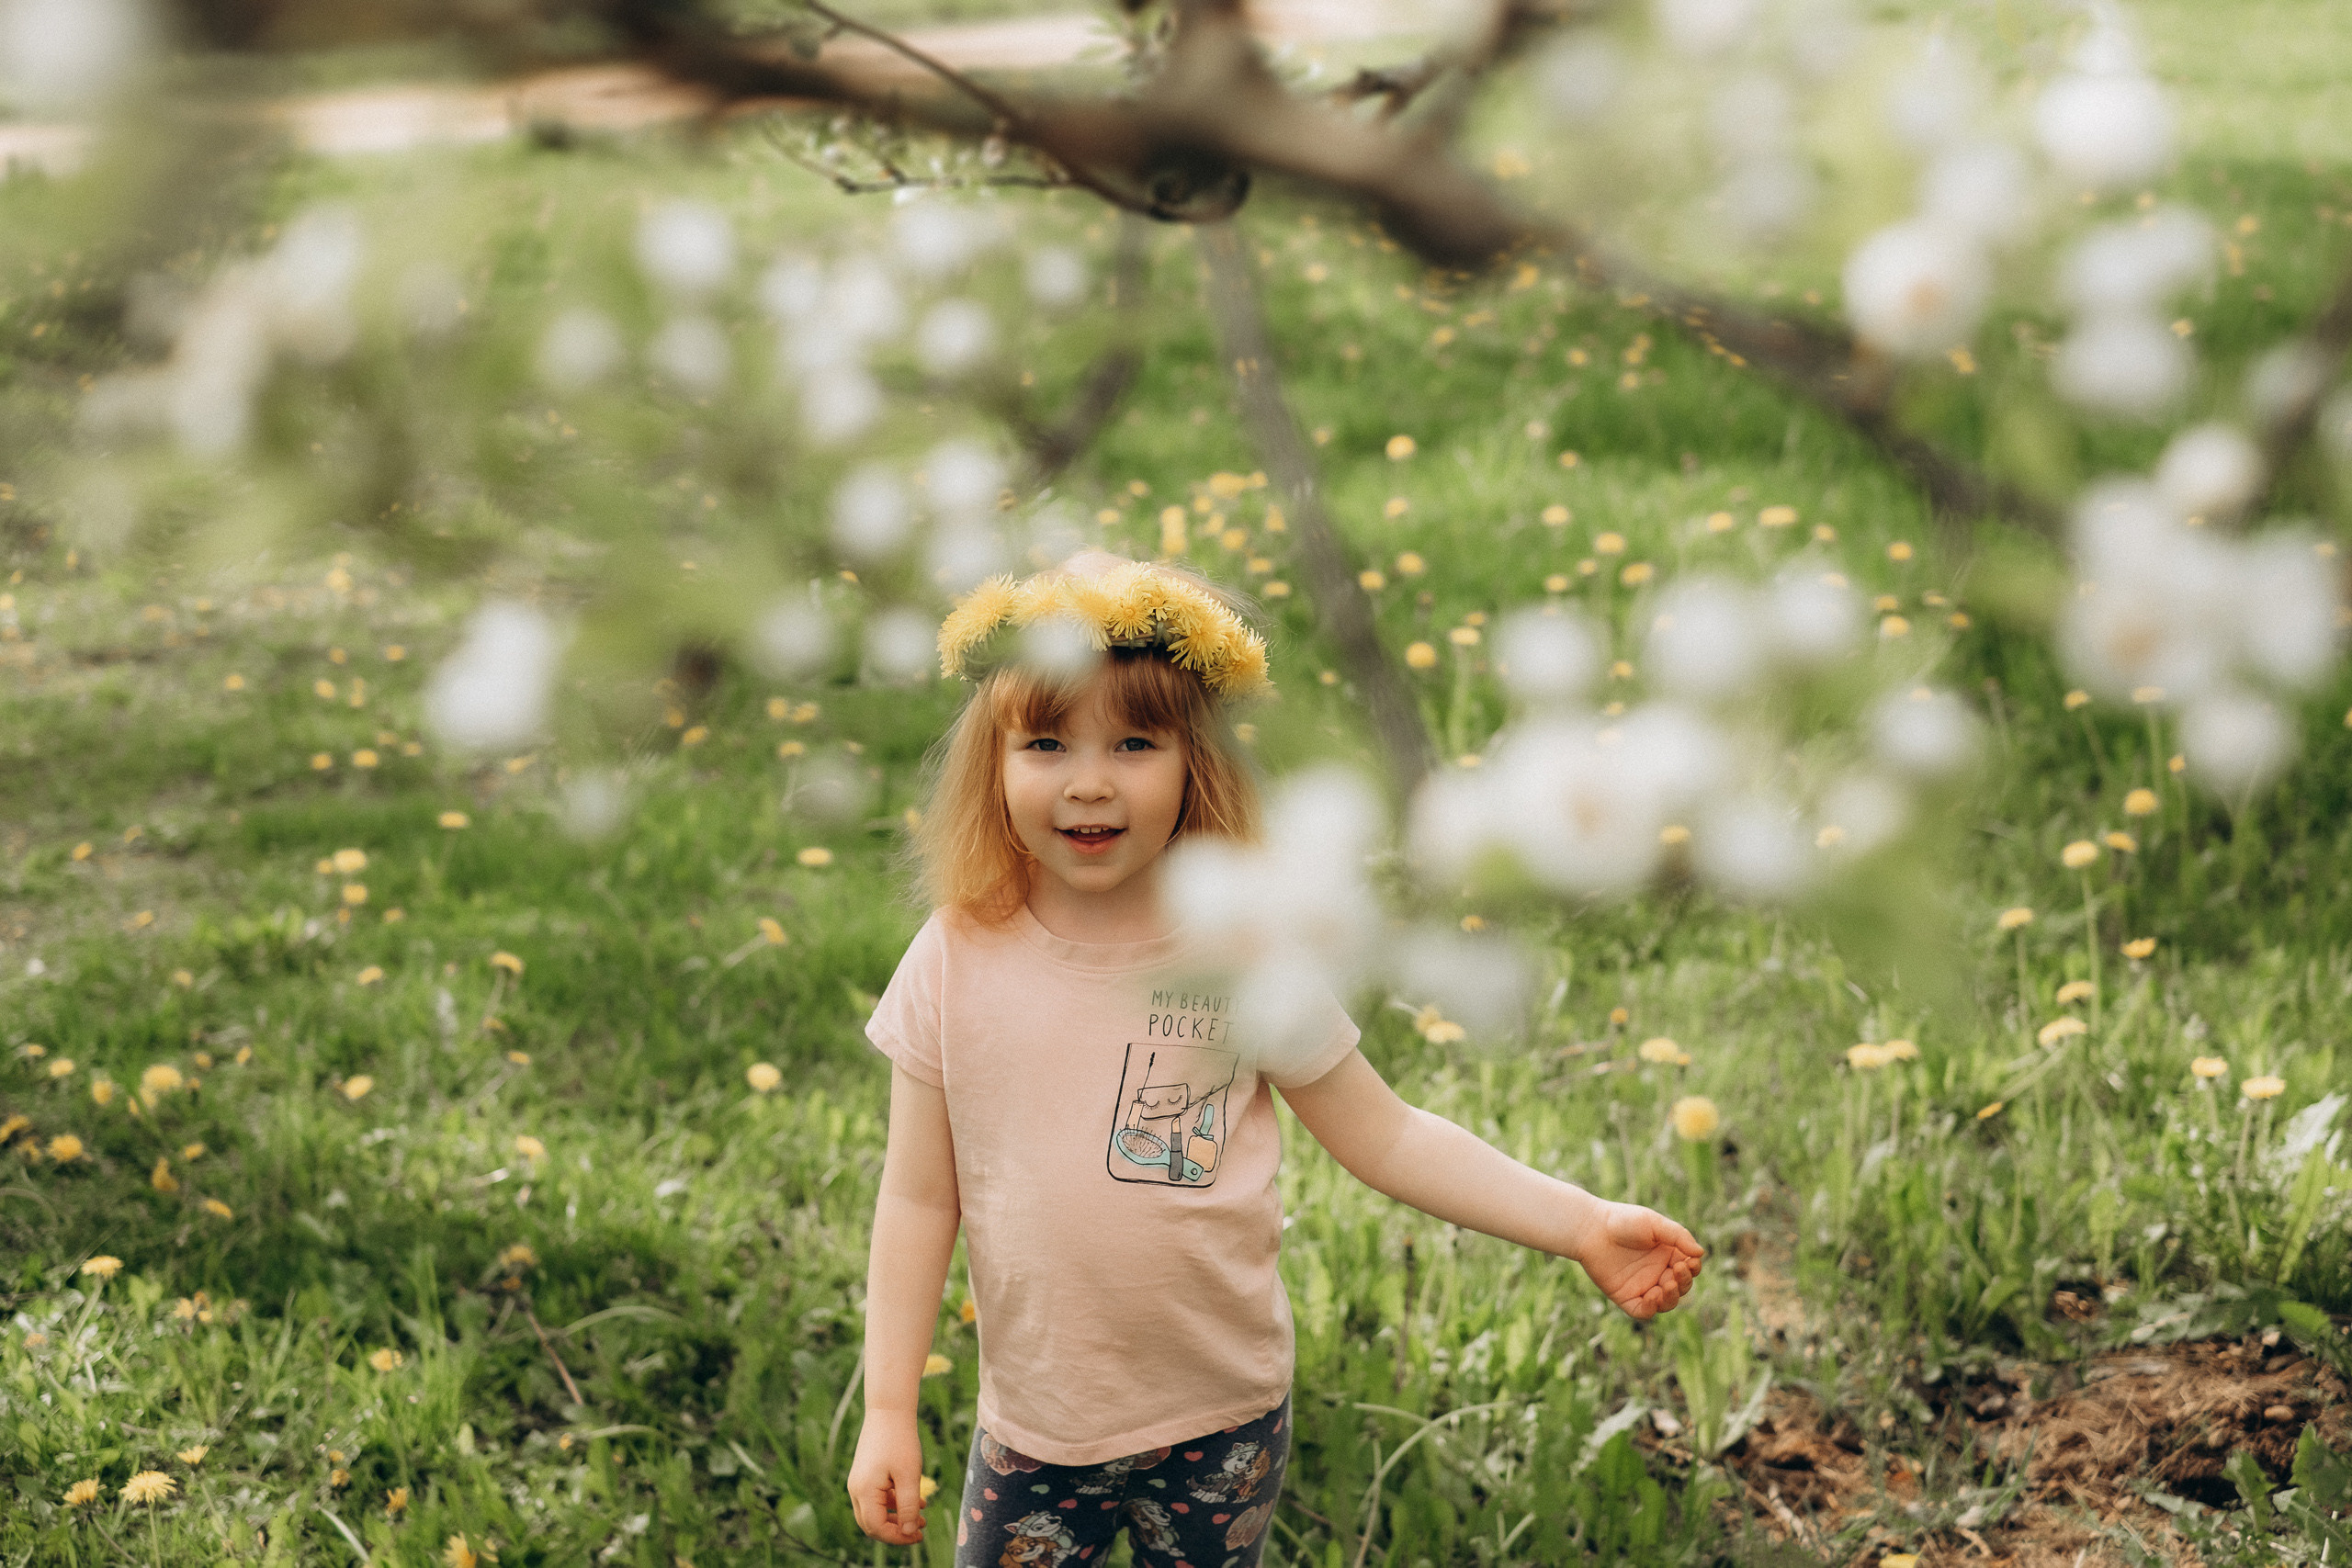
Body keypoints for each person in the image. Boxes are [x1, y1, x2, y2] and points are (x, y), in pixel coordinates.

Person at [848, 550, 1705, 1565]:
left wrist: (1580, 1224)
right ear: (993, 763)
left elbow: (1385, 1135)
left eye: (1134, 742)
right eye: (1044, 742)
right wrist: (890, 1407)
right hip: (1041, 1430)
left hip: (1221, 1422)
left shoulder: (1242, 951)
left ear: (1196, 762)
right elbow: (916, 1198)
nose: (1087, 782)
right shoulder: (957, 956)